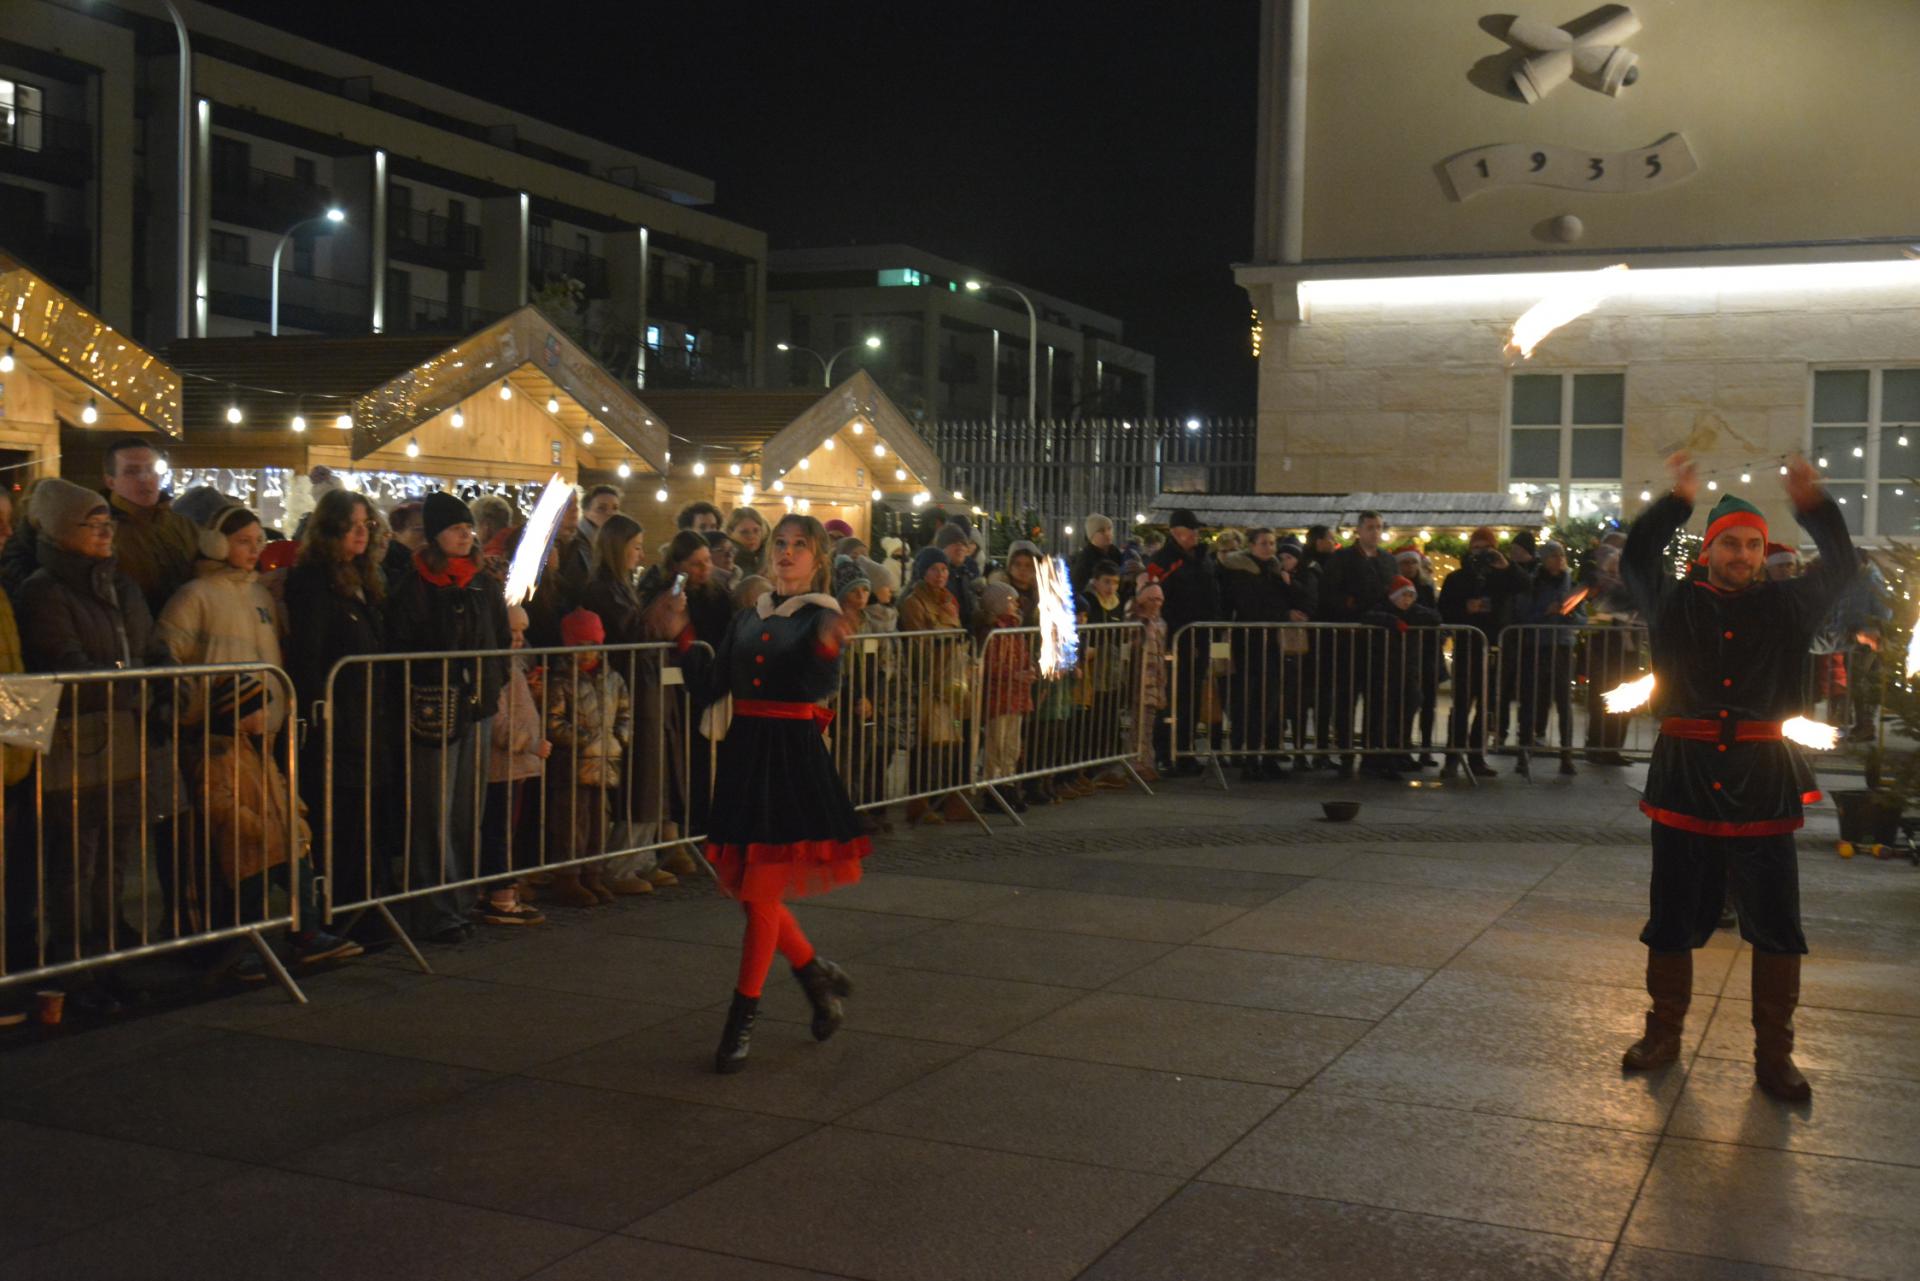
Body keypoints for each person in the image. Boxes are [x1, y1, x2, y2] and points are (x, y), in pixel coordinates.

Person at [1618, 452, 1852, 1103]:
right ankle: (1663, 1032)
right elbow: (1636, 558)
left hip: (1763, 781)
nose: (1743, 555)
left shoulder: (1786, 605)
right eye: (1730, 544)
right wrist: (1676, 502)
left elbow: (1841, 566)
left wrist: (1813, 505)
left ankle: (1775, 1054)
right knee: (1671, 914)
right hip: (1685, 778)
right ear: (1709, 550)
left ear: (1762, 551)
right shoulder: (1673, 601)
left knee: (1776, 921)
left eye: (1752, 544)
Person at [677, 512, 870, 1073]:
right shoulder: (748, 616)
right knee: (751, 892)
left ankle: (741, 1020)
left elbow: (820, 683)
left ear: (818, 558)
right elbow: (712, 687)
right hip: (746, 755)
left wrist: (827, 650)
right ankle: (814, 975)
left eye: (799, 545)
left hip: (789, 760)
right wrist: (683, 637)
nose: (786, 552)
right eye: (780, 543)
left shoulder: (821, 617)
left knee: (760, 896)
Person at [15, 477, 174, 966]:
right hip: (79, 744)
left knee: (115, 856)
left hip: (125, 735)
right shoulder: (44, 591)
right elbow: (64, 661)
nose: (106, 532)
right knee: (76, 861)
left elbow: (150, 645)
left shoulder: (121, 584)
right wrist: (133, 687)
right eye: (93, 523)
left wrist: (166, 681)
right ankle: (76, 960)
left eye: (108, 523)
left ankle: (108, 954)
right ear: (60, 530)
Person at [385, 491, 507, 944]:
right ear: (436, 534)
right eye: (456, 529)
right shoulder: (415, 583)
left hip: (476, 707)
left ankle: (459, 900)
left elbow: (497, 639)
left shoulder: (482, 583)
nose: (465, 535)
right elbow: (402, 642)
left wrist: (491, 684)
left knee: (465, 810)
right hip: (433, 706)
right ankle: (434, 907)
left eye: (468, 528)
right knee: (433, 810)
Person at [283, 489, 391, 917]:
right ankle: (339, 910)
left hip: (369, 715)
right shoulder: (313, 581)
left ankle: (365, 906)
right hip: (339, 716)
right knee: (340, 820)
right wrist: (327, 712)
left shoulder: (364, 579)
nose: (361, 534)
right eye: (351, 526)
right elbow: (309, 655)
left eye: (366, 525)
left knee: (367, 818)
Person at [576, 513, 677, 896]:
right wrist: (660, 612)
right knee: (637, 772)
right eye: (635, 547)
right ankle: (621, 862)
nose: (641, 554)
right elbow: (630, 633)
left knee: (649, 769)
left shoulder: (621, 587)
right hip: (626, 686)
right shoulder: (603, 590)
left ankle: (640, 855)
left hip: (641, 683)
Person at [544, 607, 634, 906]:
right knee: (572, 823)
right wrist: (584, 740)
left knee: (598, 821)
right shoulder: (562, 680)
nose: (586, 652)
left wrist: (619, 737)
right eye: (580, 646)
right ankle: (568, 876)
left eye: (592, 645)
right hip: (573, 763)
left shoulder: (613, 678)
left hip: (605, 760)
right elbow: (553, 720)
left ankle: (593, 872)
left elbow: (625, 712)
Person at [1218, 528, 1314, 781]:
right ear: (1251, 545)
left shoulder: (1274, 570)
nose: (1269, 548)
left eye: (1272, 543)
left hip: (1273, 644)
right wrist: (1284, 614)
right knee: (1252, 703)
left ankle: (1270, 757)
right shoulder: (1239, 572)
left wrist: (1289, 583)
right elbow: (1249, 605)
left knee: (1272, 702)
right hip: (1249, 644)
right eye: (1264, 543)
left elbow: (1302, 598)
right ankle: (1249, 759)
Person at [478, 605, 548, 926]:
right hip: (505, 764)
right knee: (500, 831)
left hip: (516, 764)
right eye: (514, 631)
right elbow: (498, 722)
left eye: (522, 631)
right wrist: (530, 743)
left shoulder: (511, 665)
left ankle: (499, 889)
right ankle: (501, 895)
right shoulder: (498, 669)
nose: (519, 638)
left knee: (507, 827)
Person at [1319, 511, 1400, 778]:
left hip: (1380, 640)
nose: (1375, 532)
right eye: (1370, 527)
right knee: (1347, 698)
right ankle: (1345, 752)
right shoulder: (1342, 559)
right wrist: (1353, 606)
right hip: (1351, 639)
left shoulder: (1388, 560)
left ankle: (1372, 754)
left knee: (1378, 699)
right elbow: (1330, 594)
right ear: (1360, 530)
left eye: (1379, 527)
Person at [1438, 526, 1522, 779]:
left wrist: (1505, 565)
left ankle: (1477, 757)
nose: (1481, 553)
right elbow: (1444, 611)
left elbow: (1524, 584)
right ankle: (1453, 757)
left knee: (1488, 706)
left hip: (1496, 649)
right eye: (1477, 548)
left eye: (1487, 548)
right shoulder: (1457, 578)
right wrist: (1465, 608)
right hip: (1468, 648)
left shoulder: (1503, 576)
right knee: (1462, 704)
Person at [897, 545, 968, 823]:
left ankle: (947, 799)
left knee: (950, 741)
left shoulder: (949, 600)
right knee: (928, 743)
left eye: (944, 569)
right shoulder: (913, 602)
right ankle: (920, 801)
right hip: (929, 682)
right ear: (922, 572)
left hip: (952, 681)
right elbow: (918, 644)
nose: (941, 574)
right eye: (934, 569)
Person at [1146, 508, 1219, 773]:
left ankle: (1185, 750)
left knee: (1192, 695)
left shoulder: (1203, 558)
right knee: (1173, 697)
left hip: (1199, 636)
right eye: (1191, 530)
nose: (1196, 535)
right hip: (1177, 636)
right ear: (1177, 533)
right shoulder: (1164, 561)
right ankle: (1167, 752)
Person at [1510, 540, 1587, 777]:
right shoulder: (1532, 584)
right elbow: (1521, 614)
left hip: (1561, 645)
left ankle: (1566, 755)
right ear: (1544, 560)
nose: (1559, 560)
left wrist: (1569, 614)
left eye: (1561, 556)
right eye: (1554, 556)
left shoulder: (1571, 585)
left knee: (1564, 702)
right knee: (1530, 700)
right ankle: (1524, 752)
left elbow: (1583, 619)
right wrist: (1545, 612)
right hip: (1537, 645)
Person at [99, 436, 198, 616]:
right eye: (131, 471)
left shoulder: (183, 526)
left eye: (152, 469)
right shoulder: (102, 533)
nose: (145, 478)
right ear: (110, 481)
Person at [978, 580, 1037, 811]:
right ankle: (993, 789)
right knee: (996, 744)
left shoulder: (1015, 629)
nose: (1015, 604)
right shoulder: (992, 632)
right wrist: (1014, 674)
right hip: (999, 696)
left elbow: (1023, 655)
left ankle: (1008, 783)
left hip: (1015, 694)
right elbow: (990, 664)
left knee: (1012, 744)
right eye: (1010, 601)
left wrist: (1029, 668)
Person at [1128, 582, 1170, 778]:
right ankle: (1138, 762)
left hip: (1155, 678)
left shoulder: (1160, 623)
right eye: (1152, 599)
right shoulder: (1136, 621)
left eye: (1159, 600)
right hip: (1138, 678)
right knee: (1139, 722)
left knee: (1148, 723)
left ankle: (1145, 761)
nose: (1156, 603)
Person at [1069, 514, 1117, 595]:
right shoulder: (1086, 559)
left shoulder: (1114, 553)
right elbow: (1078, 587)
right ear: (1092, 535)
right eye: (1101, 531)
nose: (1107, 533)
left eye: (1109, 529)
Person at [384, 500, 425, 586]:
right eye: (419, 529)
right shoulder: (392, 564)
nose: (425, 535)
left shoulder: (422, 560)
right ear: (396, 532)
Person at [725, 505, 770, 581]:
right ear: (730, 532)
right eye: (744, 532)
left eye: (756, 530)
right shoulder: (728, 561)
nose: (751, 536)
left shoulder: (767, 556)